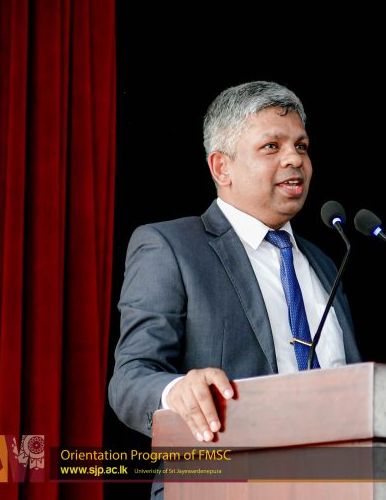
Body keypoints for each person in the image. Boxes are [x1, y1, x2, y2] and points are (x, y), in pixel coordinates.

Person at [108, 81, 362, 496]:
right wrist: (177, 391)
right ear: (221, 167)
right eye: (271, 146)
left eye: (301, 146)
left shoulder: (324, 262)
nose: (294, 159)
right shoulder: (171, 247)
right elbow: (131, 379)